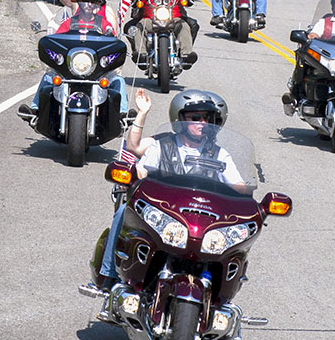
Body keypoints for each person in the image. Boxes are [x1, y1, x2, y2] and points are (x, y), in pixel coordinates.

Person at [87, 89, 246, 294]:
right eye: (195, 118)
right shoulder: (162, 145)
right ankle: (109, 275)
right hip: (167, 213)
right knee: (123, 212)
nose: (202, 123)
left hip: (199, 219)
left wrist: (245, 193)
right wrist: (140, 172)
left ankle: (221, 293)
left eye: (207, 118)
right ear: (179, 119)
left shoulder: (220, 154)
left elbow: (239, 184)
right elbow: (137, 155)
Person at [19, 0, 128, 119]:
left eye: (92, 1)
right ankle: (35, 110)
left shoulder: (104, 24)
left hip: (96, 70)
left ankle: (122, 115)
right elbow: (55, 40)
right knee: (48, 76)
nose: (88, 4)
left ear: (97, 3)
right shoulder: (68, 23)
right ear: (78, 2)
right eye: (84, 1)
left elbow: (113, 42)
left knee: (118, 80)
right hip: (71, 69)